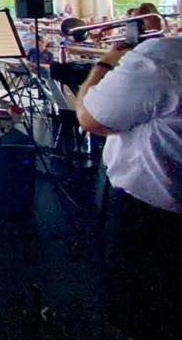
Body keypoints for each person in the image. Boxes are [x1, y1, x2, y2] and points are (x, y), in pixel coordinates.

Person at [74, 33, 182, 340]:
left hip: (153, 220)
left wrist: (104, 64)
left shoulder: (161, 58)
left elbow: (90, 117)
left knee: (141, 317)